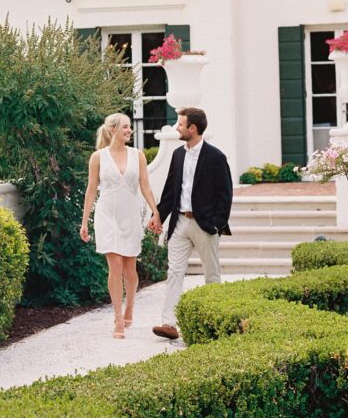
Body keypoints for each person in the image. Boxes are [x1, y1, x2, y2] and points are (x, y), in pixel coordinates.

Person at [151, 107, 233, 340]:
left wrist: (217, 224)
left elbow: (225, 194)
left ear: (193, 128)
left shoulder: (216, 157)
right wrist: (158, 216)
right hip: (179, 223)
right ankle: (169, 323)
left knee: (211, 274)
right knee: (175, 272)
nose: (177, 127)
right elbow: (169, 192)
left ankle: (216, 322)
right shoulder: (178, 155)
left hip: (205, 224)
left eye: (180, 124)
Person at [80, 112, 161, 338]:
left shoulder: (138, 156)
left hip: (130, 214)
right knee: (114, 265)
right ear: (112, 130)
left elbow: (145, 185)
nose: (129, 130)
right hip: (106, 214)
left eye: (129, 127)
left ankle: (131, 305)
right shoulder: (98, 157)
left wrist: (155, 210)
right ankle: (117, 318)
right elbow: (91, 189)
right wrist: (84, 221)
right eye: (125, 127)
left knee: (130, 269)